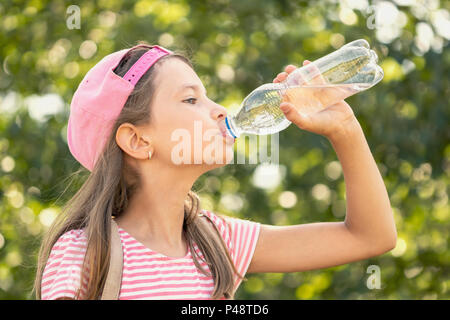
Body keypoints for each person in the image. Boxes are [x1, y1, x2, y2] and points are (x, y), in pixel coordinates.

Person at [34, 41, 397, 300]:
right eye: (191, 99)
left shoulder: (216, 242)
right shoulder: (84, 253)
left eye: (207, 96)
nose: (221, 109)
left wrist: (344, 128)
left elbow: (370, 236)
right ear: (138, 141)